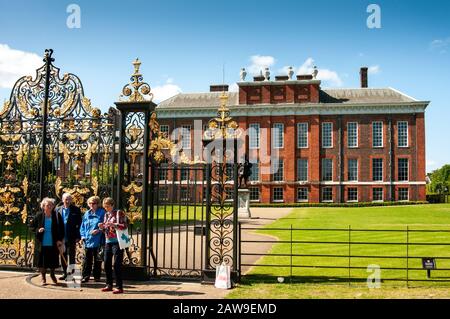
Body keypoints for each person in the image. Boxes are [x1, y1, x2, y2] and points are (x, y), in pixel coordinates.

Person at [31, 197, 65, 286]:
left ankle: (52, 274)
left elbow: (61, 229)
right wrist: (38, 230)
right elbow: (31, 226)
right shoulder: (39, 215)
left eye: (51, 205)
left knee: (53, 260)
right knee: (42, 261)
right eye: (47, 205)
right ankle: (43, 277)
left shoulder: (57, 215)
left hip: (53, 242)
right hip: (42, 242)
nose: (50, 206)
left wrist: (59, 240)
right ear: (43, 206)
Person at [98, 197, 128, 294]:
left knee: (116, 264)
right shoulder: (106, 214)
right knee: (106, 263)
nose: (106, 208)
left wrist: (114, 224)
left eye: (108, 206)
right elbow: (106, 229)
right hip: (108, 241)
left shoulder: (119, 213)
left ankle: (119, 287)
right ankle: (109, 284)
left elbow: (124, 225)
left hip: (118, 241)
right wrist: (102, 227)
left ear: (112, 205)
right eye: (105, 207)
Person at [56, 193, 82, 280]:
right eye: (66, 199)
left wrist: (78, 236)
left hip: (71, 236)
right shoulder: (57, 209)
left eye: (69, 199)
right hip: (61, 237)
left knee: (71, 255)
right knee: (63, 255)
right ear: (62, 200)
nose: (67, 201)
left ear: (71, 200)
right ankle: (65, 273)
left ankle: (71, 274)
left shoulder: (76, 210)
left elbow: (79, 223)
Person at [79, 196, 105, 283]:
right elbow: (82, 226)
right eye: (90, 203)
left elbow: (105, 225)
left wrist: (98, 230)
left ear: (97, 204)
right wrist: (82, 236)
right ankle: (85, 276)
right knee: (87, 259)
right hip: (88, 240)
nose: (91, 205)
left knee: (97, 259)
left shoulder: (102, 213)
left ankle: (97, 276)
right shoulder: (86, 213)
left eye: (93, 203)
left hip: (98, 240)